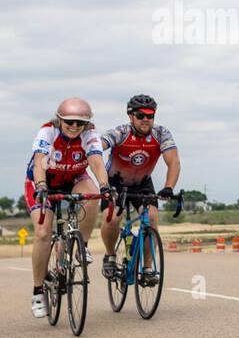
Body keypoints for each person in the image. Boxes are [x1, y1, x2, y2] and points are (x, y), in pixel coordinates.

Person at [25, 98, 110, 317]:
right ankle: (37, 291)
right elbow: (39, 162)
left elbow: (96, 162)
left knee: (92, 196)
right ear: (60, 120)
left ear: (86, 124)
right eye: (69, 122)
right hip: (44, 181)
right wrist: (42, 186)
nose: (74, 127)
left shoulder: (90, 135)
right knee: (43, 233)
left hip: (74, 177)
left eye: (79, 123)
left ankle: (82, 245)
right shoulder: (48, 132)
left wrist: (105, 186)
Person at [98, 94, 181, 280]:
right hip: (115, 184)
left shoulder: (161, 134)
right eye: (140, 115)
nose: (146, 119)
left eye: (150, 115)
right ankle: (110, 256)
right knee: (112, 219)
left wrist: (168, 187)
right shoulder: (120, 132)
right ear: (130, 116)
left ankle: (149, 268)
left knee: (151, 218)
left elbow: (174, 162)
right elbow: (99, 145)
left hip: (142, 183)